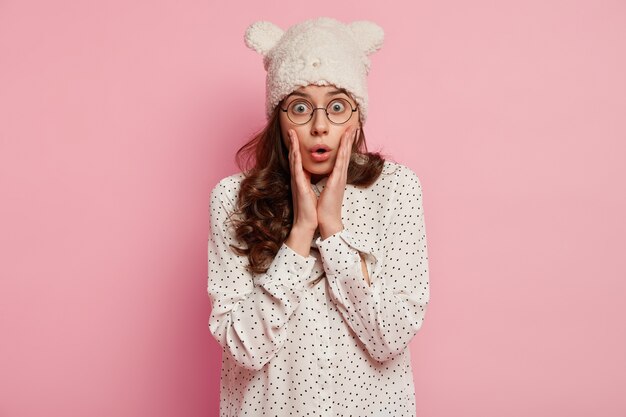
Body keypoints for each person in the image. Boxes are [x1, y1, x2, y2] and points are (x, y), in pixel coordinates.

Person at [207, 17, 430, 417]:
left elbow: (391, 337)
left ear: (358, 115)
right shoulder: (233, 198)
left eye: (338, 106)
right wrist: (300, 235)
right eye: (300, 107)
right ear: (278, 114)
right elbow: (244, 349)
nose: (320, 126)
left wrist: (333, 230)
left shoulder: (396, 189)